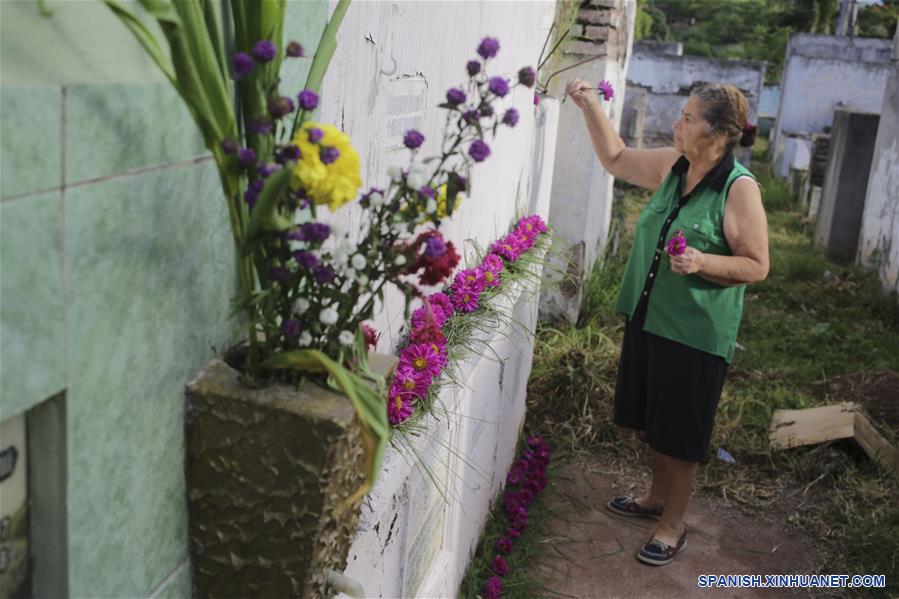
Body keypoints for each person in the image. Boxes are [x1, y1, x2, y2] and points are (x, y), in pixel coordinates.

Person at [565, 79, 769, 566]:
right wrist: (590, 105)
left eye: (689, 118)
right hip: (650, 316)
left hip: (695, 333)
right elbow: (615, 158)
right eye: (681, 115)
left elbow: (757, 265)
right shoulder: (675, 166)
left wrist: (704, 262)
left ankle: (673, 524)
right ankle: (655, 498)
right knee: (656, 419)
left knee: (680, 433)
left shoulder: (737, 189)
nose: (677, 124)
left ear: (718, 133)